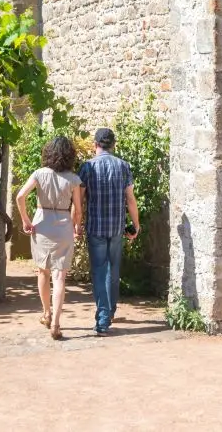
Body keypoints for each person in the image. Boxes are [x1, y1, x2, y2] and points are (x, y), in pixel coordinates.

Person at [14, 135, 84, 341]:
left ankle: (46, 313)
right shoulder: (73, 179)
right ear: (69, 155)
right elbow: (78, 210)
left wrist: (26, 220)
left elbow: (20, 197)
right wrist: (77, 227)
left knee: (42, 272)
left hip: (41, 223)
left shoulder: (39, 174)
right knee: (60, 276)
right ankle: (56, 323)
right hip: (63, 225)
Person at [78, 126, 140, 336]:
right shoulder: (123, 166)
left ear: (95, 144)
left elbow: (79, 202)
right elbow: (130, 199)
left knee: (99, 271)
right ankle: (111, 310)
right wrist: (136, 224)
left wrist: (76, 223)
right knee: (113, 270)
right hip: (116, 227)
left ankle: (103, 319)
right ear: (113, 145)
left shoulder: (87, 167)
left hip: (96, 226)